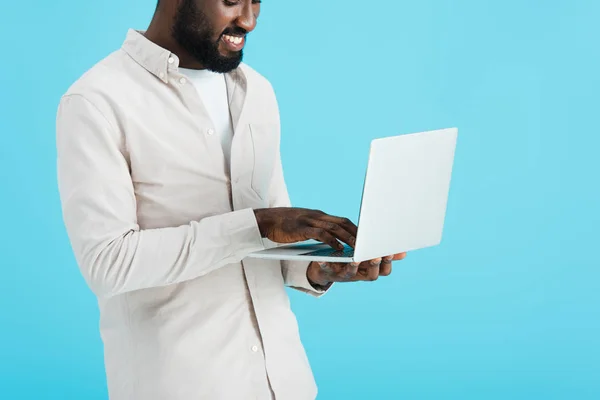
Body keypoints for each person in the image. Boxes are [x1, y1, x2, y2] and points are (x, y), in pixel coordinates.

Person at [56, 0, 407, 399]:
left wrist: (319, 268)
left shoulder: (257, 90)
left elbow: (272, 241)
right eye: (231, 1)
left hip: (286, 382)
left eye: (256, 2)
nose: (248, 20)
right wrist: (253, 224)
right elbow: (108, 263)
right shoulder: (96, 101)